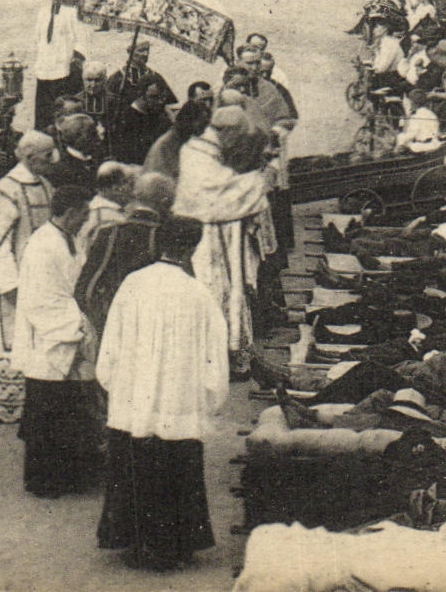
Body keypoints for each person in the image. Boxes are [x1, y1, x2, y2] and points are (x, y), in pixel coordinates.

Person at [97, 215, 229, 571]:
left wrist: (114, 383)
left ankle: (135, 543)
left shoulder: (133, 284)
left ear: (158, 242)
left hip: (133, 402)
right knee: (176, 471)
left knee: (135, 468)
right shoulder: (198, 293)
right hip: (178, 402)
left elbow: (111, 343)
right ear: (192, 249)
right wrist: (210, 398)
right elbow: (215, 354)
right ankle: (175, 547)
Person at [173, 101, 279, 376]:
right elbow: (219, 195)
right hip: (203, 239)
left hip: (219, 234)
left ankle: (230, 352)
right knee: (212, 292)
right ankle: (215, 357)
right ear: (229, 132)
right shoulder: (196, 153)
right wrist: (259, 182)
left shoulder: (211, 151)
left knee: (228, 291)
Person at [14, 184, 102, 497]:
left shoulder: (69, 239)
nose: (86, 219)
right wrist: (74, 326)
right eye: (83, 213)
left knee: (69, 411)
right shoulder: (41, 245)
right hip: (49, 335)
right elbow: (39, 298)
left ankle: (71, 475)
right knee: (46, 412)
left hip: (66, 329)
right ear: (68, 212)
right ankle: (43, 481)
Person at [0, 130, 55, 423]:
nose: (52, 159)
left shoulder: (44, 185)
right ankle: (6, 401)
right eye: (47, 155)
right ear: (30, 158)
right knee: (10, 338)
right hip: (12, 281)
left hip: (40, 279)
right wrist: (11, 284)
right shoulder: (7, 190)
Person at [76, 171, 178, 341]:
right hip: (152, 331)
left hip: (112, 327)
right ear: (165, 202)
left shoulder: (108, 233)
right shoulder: (163, 237)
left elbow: (85, 289)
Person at [34, 0, 81, 131]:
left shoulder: (71, 13)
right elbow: (38, 36)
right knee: (43, 105)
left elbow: (79, 37)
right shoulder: (43, 12)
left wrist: (75, 56)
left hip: (62, 66)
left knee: (60, 103)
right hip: (44, 65)